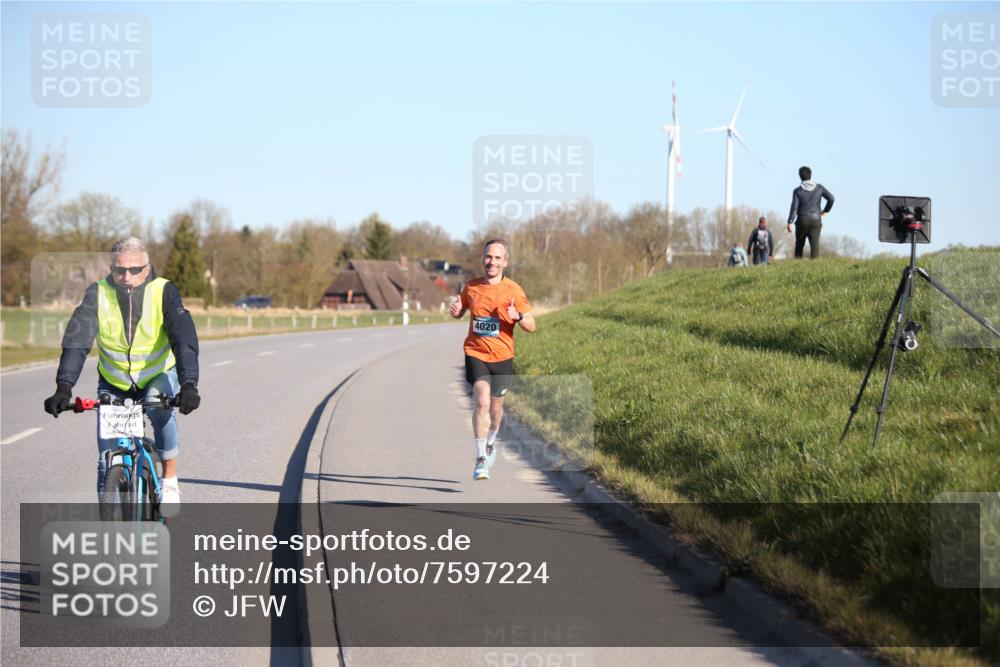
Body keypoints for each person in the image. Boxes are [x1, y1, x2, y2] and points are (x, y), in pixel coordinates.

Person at [42, 237, 201, 510]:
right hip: (114, 382)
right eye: (119, 270)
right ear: (111, 268)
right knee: (108, 455)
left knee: (161, 409)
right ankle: (112, 512)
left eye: (135, 270)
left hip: (156, 374)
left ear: (148, 267)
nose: (127, 277)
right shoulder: (98, 293)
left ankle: (170, 479)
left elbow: (183, 339)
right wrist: (63, 387)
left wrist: (189, 384)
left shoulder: (164, 291)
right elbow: (77, 342)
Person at [449, 239, 535, 480]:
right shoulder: (472, 287)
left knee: (496, 409)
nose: (492, 262)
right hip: (476, 353)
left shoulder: (514, 290)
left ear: (505, 262)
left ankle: (491, 442)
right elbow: (460, 310)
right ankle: (480, 459)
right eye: (488, 257)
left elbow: (531, 325)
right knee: (482, 402)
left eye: (497, 258)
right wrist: (456, 311)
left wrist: (517, 315)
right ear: (483, 259)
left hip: (503, 357)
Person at [787, 165, 834, 259]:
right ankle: (815, 267)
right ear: (810, 175)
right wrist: (825, 211)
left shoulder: (797, 191)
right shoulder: (819, 188)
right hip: (816, 221)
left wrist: (790, 222)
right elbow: (831, 199)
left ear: (800, 176)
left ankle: (797, 266)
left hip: (802, 221)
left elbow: (794, 208)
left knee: (799, 245)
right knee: (814, 246)